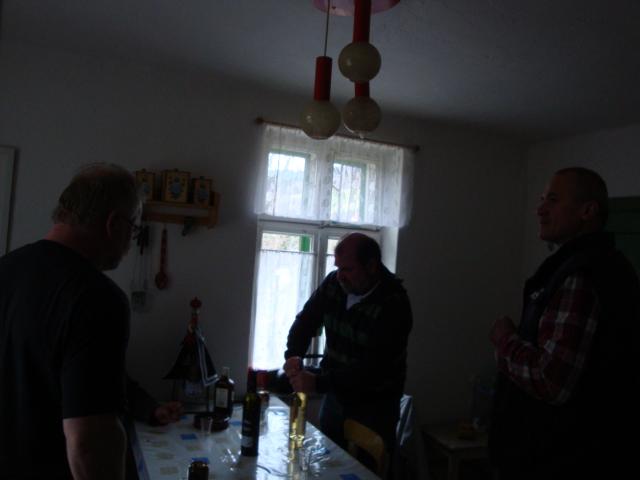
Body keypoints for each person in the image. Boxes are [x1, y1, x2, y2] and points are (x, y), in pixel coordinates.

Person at [489, 167, 639, 479]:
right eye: (542, 199)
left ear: (588, 211)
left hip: (561, 458)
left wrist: (505, 340)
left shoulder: (582, 275)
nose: (540, 209)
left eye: (553, 200)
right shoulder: (596, 265)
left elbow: (550, 380)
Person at [0, 164, 140, 480]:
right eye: (133, 230)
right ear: (113, 224)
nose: (130, 244)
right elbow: (89, 444)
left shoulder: (4, 269)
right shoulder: (96, 297)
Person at [283, 233, 412, 451]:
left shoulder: (394, 304)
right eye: (338, 268)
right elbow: (306, 321)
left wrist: (318, 383)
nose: (340, 276)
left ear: (371, 266)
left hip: (374, 406)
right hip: (336, 397)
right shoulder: (334, 283)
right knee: (328, 459)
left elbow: (371, 370)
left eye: (348, 269)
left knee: (367, 466)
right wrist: (294, 355)